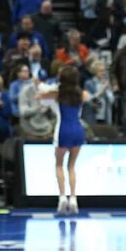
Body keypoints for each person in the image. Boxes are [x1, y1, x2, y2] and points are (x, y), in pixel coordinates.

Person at [37, 66, 90, 215]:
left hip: (63, 131)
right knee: (72, 167)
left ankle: (62, 198)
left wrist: (41, 85)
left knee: (59, 165)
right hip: (78, 130)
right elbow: (89, 96)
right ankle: (73, 198)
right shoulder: (82, 94)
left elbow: (40, 97)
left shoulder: (56, 95)